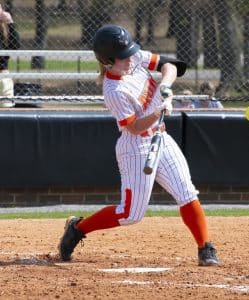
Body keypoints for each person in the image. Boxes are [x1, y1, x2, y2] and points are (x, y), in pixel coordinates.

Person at [58, 24, 220, 267]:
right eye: (122, 57)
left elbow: (171, 66)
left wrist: (165, 86)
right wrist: (158, 111)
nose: (130, 59)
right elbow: (134, 127)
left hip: (161, 137)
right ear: (108, 61)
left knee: (186, 192)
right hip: (136, 148)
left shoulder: (133, 57)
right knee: (130, 214)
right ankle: (77, 228)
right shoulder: (113, 90)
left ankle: (205, 246)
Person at [0, 4, 20, 108]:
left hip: (2, 73)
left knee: (6, 106)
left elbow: (15, 47)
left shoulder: (4, 30)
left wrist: (10, 23)